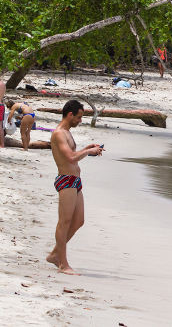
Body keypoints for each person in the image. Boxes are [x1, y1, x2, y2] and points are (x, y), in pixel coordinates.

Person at [48, 100, 103, 274]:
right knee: (64, 222)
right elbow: (71, 158)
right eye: (79, 117)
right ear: (70, 115)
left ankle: (56, 253)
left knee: (79, 221)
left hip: (75, 181)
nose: (80, 120)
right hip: (66, 180)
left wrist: (87, 148)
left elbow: (73, 155)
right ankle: (63, 263)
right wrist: (87, 152)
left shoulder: (67, 132)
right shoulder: (59, 134)